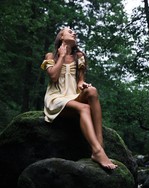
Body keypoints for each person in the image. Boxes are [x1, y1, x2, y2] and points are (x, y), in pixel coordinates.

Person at [41, 27, 117, 170]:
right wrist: (62, 56)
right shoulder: (51, 56)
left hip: (73, 96)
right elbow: (53, 77)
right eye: (70, 32)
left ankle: (100, 146)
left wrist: (83, 85)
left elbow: (80, 80)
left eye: (75, 32)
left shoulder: (79, 56)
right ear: (61, 37)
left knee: (92, 91)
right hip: (56, 98)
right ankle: (97, 151)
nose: (74, 33)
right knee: (84, 107)